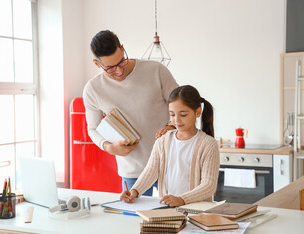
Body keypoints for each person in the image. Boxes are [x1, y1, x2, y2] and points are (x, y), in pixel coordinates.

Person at [83, 30, 178, 196]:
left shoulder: (156, 70)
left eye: (121, 62)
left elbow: (180, 104)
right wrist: (110, 147)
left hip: (169, 164)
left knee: (175, 217)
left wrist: (172, 125)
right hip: (132, 170)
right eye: (110, 68)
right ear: (97, 64)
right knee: (133, 220)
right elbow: (93, 128)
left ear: (123, 48)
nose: (119, 71)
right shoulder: (93, 90)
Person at [120, 85, 220, 207]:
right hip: (167, 208)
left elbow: (208, 186)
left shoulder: (208, 144)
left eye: (183, 114)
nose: (176, 120)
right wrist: (134, 192)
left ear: (198, 112)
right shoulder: (162, 141)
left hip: (197, 211)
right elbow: (151, 171)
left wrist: (181, 199)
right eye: (172, 115)